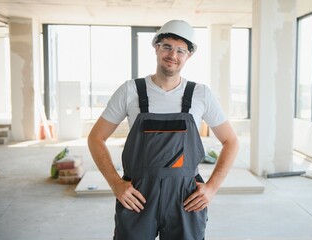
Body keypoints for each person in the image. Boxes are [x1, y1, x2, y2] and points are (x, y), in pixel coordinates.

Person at [88, 19, 239, 240]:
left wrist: (212, 187)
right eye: (167, 46)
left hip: (186, 197)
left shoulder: (201, 94)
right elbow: (95, 138)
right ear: (156, 47)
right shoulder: (131, 91)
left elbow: (231, 141)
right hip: (138, 195)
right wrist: (116, 184)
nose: (173, 55)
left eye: (181, 50)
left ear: (189, 55)